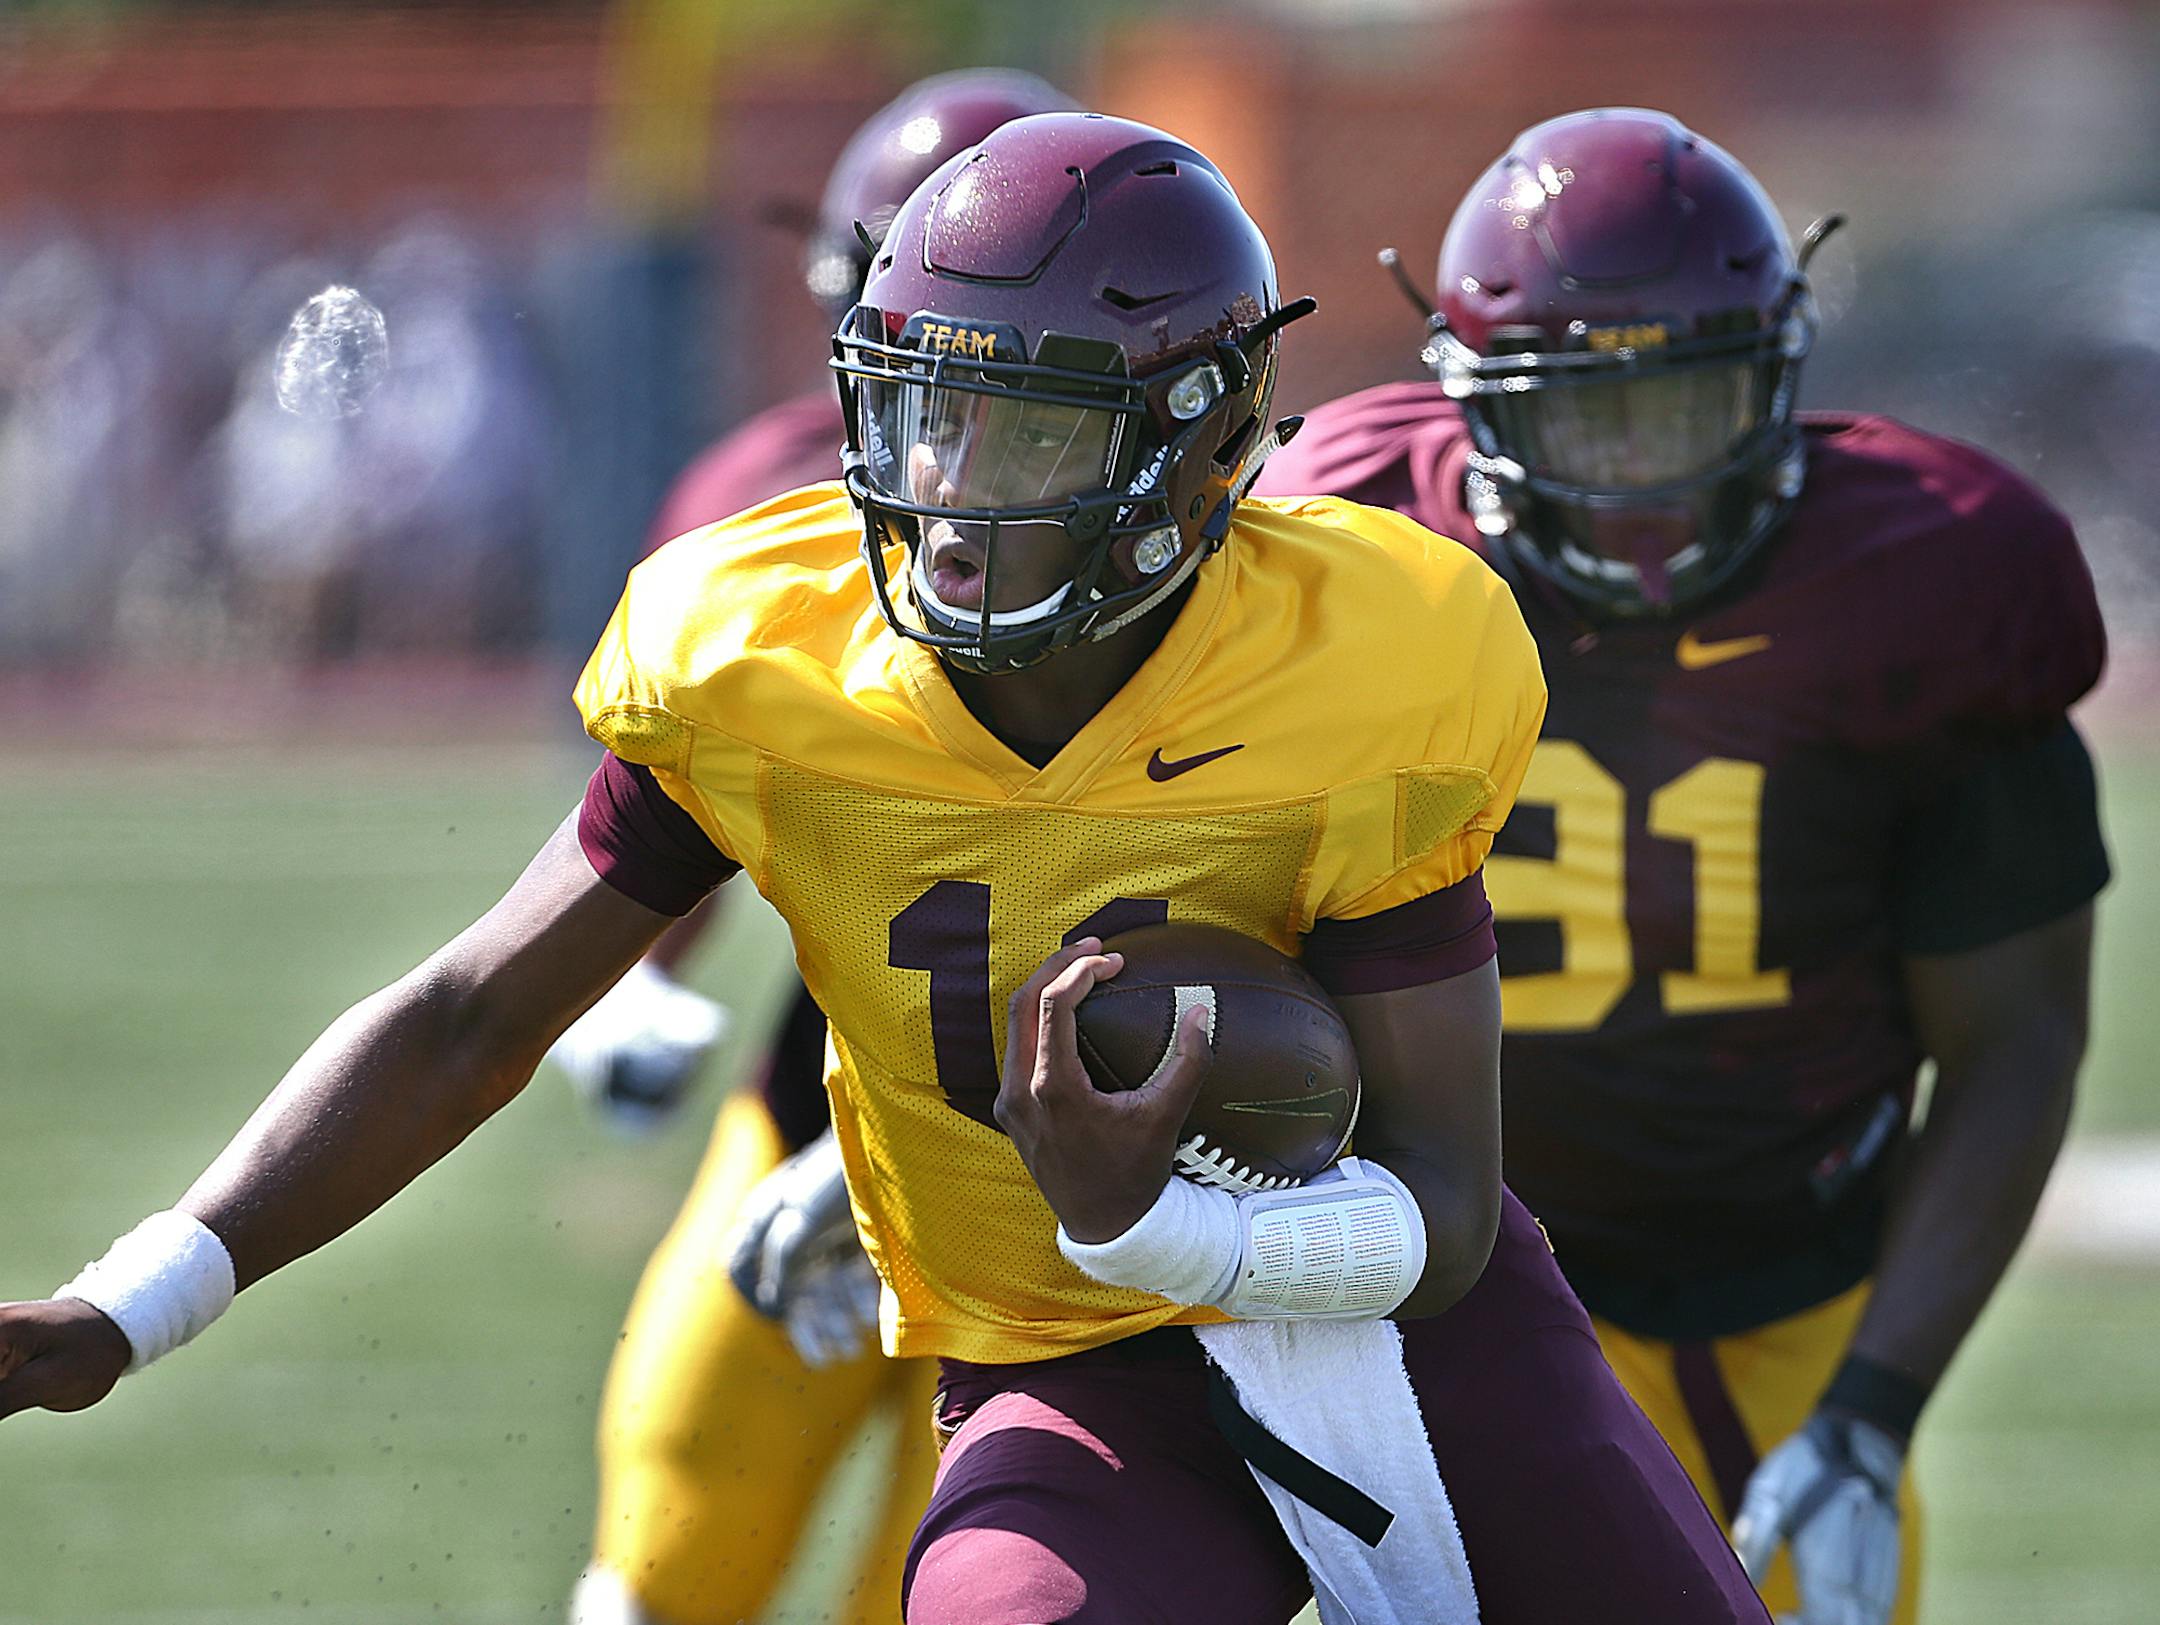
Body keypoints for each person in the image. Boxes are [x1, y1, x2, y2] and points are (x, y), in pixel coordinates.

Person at [0, 112, 1771, 1625]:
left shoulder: (1369, 651)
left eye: (1036, 429)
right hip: (1067, 1363)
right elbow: (474, 1014)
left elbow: (1449, 1220)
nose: (953, 484)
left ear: (1207, 433)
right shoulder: (768, 650)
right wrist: (133, 1299)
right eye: (929, 411)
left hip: (1422, 1330)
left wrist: (1157, 1209)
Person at [1253, 106, 2107, 1625]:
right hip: (1457, 1276)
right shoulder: (1350, 551)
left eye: (1688, 408)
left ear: (1778, 377)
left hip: (1793, 1269)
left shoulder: (1933, 581)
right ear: (1476, 408)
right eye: (1589, 417)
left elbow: (2017, 1035)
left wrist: (1874, 1405)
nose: (1643, 480)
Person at [549, 68, 1079, 1625]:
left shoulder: (1217, 538)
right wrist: (641, 970)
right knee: (656, 1564)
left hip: (1078, 1216)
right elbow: (662, 790)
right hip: (840, 1091)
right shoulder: (764, 505)